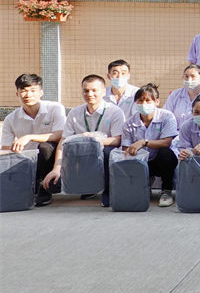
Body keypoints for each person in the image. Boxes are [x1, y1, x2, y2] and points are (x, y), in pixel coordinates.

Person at [43, 75, 127, 207]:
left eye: (94, 90)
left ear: (103, 91)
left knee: (109, 152)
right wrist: (56, 168)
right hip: (81, 155)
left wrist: (93, 140)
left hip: (102, 153)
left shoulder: (114, 112)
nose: (90, 94)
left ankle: (109, 192)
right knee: (53, 185)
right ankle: (87, 187)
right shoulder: (75, 113)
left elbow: (117, 140)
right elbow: (63, 141)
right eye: (86, 91)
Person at [1, 74, 65, 206]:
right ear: (17, 93)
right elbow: (6, 149)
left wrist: (29, 137)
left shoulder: (55, 108)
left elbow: (60, 134)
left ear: (41, 92)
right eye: (23, 91)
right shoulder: (11, 119)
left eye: (32, 90)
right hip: (26, 162)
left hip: (51, 159)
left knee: (46, 146)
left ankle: (44, 187)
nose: (28, 95)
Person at [121, 84, 179, 207]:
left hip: (161, 161)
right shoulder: (129, 123)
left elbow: (166, 142)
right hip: (141, 161)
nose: (144, 104)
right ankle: (143, 186)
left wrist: (144, 142)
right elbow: (125, 148)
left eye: (148, 100)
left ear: (157, 102)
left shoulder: (167, 116)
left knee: (166, 153)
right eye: (140, 100)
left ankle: (166, 191)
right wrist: (131, 151)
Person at [163, 64, 200, 129]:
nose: (189, 80)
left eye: (193, 76)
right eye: (186, 76)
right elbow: (166, 115)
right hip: (176, 133)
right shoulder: (175, 95)